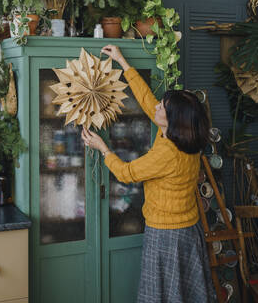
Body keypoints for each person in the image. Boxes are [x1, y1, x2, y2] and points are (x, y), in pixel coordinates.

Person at [81, 45, 215, 303]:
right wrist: (123, 62)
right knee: (185, 293)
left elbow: (126, 173)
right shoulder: (187, 138)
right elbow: (147, 101)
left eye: (162, 107)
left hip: (166, 233)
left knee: (163, 295)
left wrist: (102, 148)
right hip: (188, 228)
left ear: (173, 119)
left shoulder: (168, 152)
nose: (157, 108)